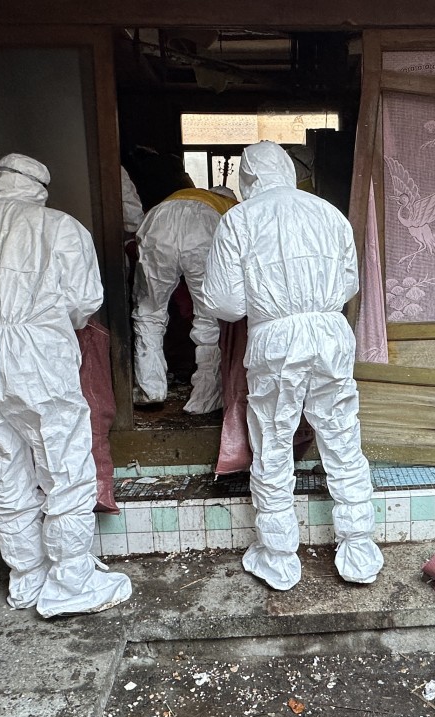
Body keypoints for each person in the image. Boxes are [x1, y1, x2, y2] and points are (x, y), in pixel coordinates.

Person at [0, 153, 132, 618]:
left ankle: (27, 577)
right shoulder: (60, 227)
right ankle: (72, 580)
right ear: (40, 188)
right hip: (41, 350)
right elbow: (85, 303)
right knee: (65, 463)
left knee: (0, 464)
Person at [202, 140, 383, 591]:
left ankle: (279, 556)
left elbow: (225, 303)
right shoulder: (329, 213)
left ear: (248, 178)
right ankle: (359, 550)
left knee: (273, 443)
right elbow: (349, 283)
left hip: (276, 338)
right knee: (342, 438)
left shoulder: (239, 219)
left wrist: (271, 298)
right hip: (331, 332)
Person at [132, 185, 239, 413]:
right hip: (203, 230)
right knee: (209, 315)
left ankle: (150, 389)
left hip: (158, 224)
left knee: (149, 310)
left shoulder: (182, 196)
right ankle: (205, 398)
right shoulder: (229, 207)